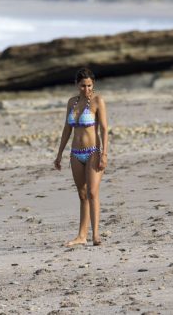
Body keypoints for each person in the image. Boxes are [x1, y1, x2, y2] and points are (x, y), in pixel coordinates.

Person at [54, 68, 108, 246]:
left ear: (94, 84)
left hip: (93, 152)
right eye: (83, 86)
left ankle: (96, 235)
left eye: (90, 85)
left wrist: (104, 154)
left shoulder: (98, 101)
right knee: (82, 194)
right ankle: (81, 236)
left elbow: (104, 129)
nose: (87, 89)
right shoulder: (72, 102)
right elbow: (66, 129)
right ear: (77, 85)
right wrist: (59, 154)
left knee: (93, 192)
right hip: (75, 154)